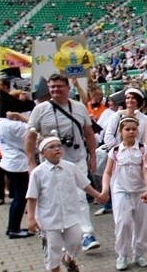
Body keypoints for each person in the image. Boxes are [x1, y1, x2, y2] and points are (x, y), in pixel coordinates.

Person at [26, 74, 99, 250]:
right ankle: (60, 234)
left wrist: (93, 156)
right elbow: (30, 137)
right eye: (52, 87)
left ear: (68, 88)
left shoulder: (79, 107)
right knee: (56, 198)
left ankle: (87, 234)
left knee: (80, 195)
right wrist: (30, 162)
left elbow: (88, 133)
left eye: (59, 86)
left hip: (76, 158)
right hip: (51, 163)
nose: (55, 90)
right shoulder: (40, 110)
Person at [26, 136, 101, 272]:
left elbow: (84, 184)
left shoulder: (70, 167)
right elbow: (32, 197)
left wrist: (98, 195)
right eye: (52, 147)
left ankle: (68, 259)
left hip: (71, 215)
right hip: (49, 218)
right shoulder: (38, 173)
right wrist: (31, 218)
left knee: (75, 240)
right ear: (43, 153)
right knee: (53, 247)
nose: (57, 149)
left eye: (58, 146)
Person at [98, 116, 147, 271]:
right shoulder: (115, 151)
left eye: (134, 129)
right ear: (120, 132)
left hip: (140, 192)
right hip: (121, 191)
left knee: (142, 225)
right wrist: (104, 190)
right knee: (123, 223)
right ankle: (122, 254)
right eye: (127, 129)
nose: (131, 132)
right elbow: (108, 173)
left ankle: (139, 254)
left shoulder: (143, 149)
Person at [0, 109, 34, 238]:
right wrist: (21, 117)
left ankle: (13, 226)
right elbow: (35, 128)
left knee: (18, 197)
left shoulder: (0, 123)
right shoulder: (16, 126)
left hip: (8, 161)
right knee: (20, 197)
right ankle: (14, 229)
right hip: (19, 164)